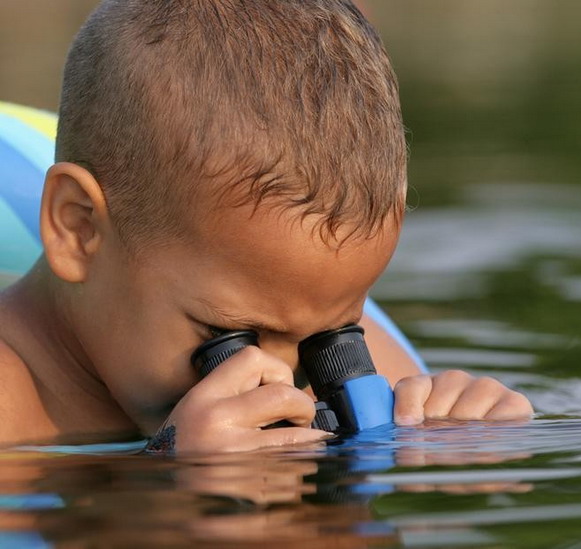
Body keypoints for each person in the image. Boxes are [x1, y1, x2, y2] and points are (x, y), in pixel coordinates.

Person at [0, 0, 532, 453]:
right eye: (227, 339)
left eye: (332, 340)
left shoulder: (288, 310)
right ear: (78, 227)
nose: (289, 387)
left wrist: (438, 430)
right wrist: (168, 472)